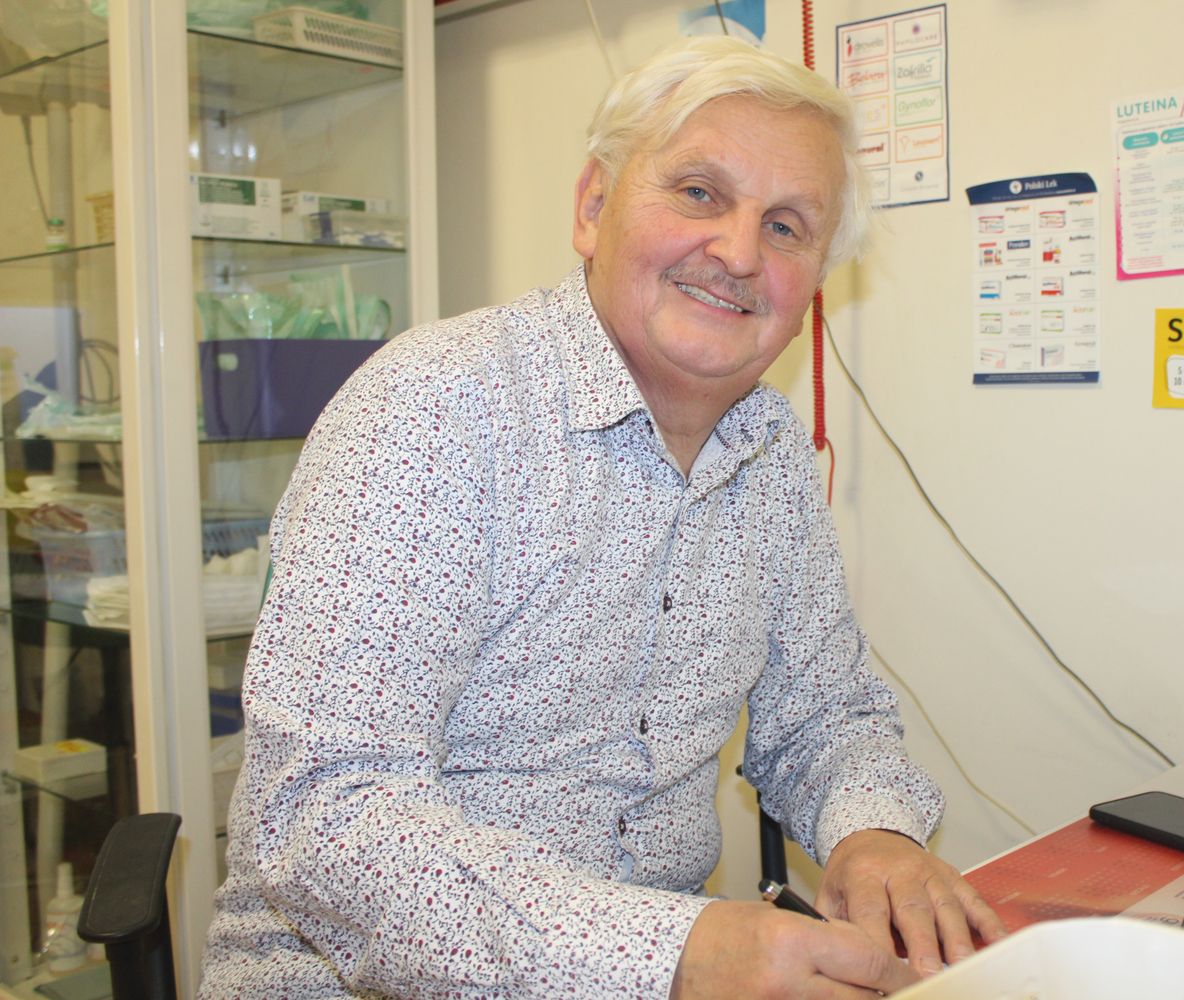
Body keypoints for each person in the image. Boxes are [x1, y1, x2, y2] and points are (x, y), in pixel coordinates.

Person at [199, 35, 1003, 999]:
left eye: (787, 226)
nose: (739, 252)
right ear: (592, 207)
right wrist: (668, 956)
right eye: (699, 193)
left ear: (814, 282)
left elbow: (823, 715)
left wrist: (873, 834)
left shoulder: (773, 451)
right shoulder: (435, 407)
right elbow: (322, 815)